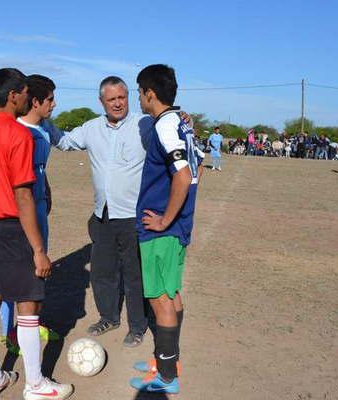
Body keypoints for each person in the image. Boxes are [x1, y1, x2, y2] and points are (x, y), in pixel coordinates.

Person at [0, 68, 72, 400]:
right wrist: (39, 249)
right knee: (29, 304)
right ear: (14, 96)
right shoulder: (18, 135)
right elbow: (23, 195)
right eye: (25, 92)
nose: (29, 97)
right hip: (10, 230)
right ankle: (36, 385)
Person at [43, 76, 151, 347]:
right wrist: (43, 120)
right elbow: (65, 142)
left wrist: (180, 118)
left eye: (122, 97)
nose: (118, 103)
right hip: (102, 215)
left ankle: (137, 326)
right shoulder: (91, 128)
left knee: (134, 274)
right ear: (101, 101)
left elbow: (168, 134)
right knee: (102, 272)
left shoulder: (145, 124)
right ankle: (109, 317)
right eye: (112, 99)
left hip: (133, 216)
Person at [129, 64, 200, 394]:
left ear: (150, 93)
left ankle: (166, 376)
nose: (138, 98)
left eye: (139, 91)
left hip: (163, 229)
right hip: (177, 227)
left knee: (160, 300)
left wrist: (163, 220)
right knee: (171, 294)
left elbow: (183, 176)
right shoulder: (179, 124)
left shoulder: (167, 127)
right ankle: (168, 359)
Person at [0, 74, 56, 348]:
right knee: (15, 273)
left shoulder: (46, 128)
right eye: (50, 100)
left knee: (38, 270)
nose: (54, 105)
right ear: (34, 101)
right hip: (20, 210)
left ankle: (31, 327)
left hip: (41, 206)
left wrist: (47, 190)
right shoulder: (16, 130)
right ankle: (9, 333)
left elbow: (42, 168)